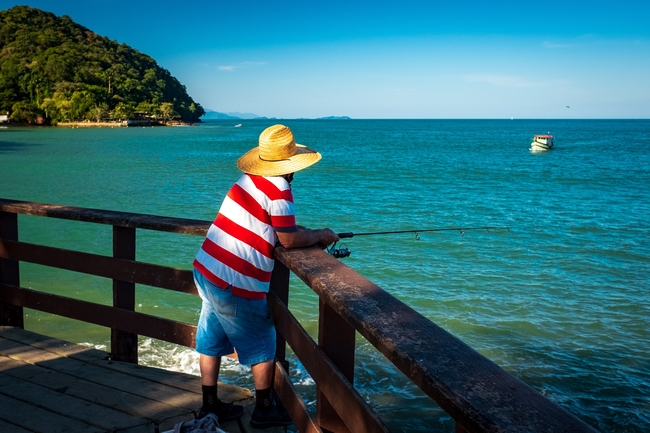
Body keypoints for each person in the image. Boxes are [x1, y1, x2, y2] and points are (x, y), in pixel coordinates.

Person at [192, 124, 340, 428]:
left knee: (212, 337)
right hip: (235, 279)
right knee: (262, 342)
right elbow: (286, 240)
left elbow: (269, 226)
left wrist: (303, 233)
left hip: (207, 268)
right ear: (290, 164)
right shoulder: (280, 188)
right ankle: (264, 409)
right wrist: (321, 234)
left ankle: (209, 404)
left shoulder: (248, 179)